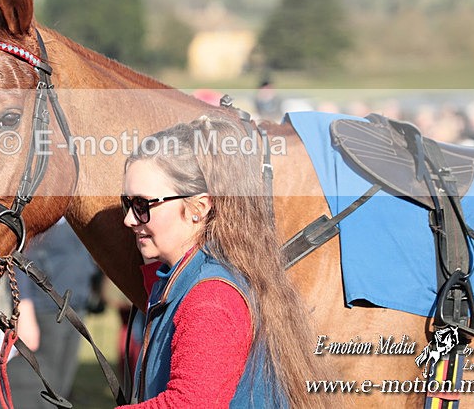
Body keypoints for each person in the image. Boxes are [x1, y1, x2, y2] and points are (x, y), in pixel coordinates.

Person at [118, 115, 332, 408]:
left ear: (199, 207)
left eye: (143, 205)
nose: (129, 220)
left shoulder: (211, 297)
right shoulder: (185, 276)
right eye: (127, 203)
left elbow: (188, 405)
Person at [0, 217, 101, 409]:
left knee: (59, 385)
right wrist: (23, 307)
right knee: (34, 385)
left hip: (74, 306)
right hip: (42, 308)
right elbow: (18, 253)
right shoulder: (40, 209)